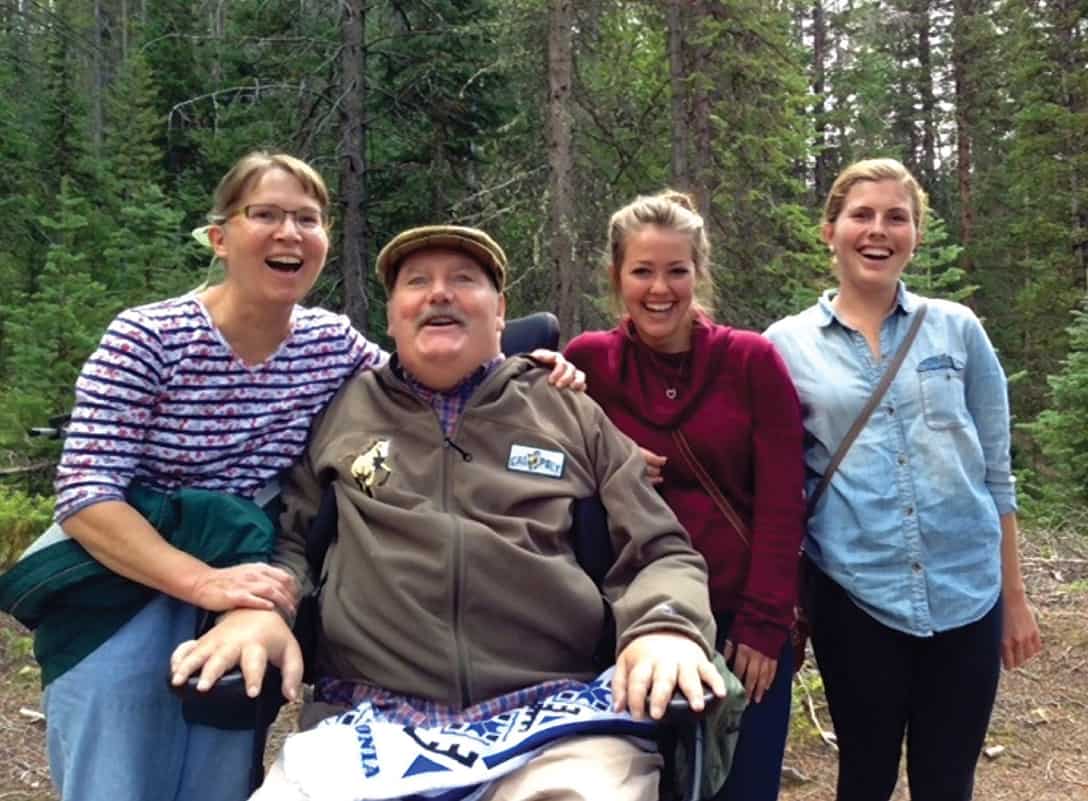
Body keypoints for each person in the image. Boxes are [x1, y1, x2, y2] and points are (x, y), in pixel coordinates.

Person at [22, 152, 581, 801]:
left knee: (219, 768)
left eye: (307, 219)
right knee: (116, 768)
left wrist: (515, 364)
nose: (289, 232)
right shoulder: (147, 338)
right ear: (220, 237)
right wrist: (206, 582)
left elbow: (417, 379)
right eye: (265, 214)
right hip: (127, 578)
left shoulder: (329, 344)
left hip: (251, 570)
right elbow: (87, 493)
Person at [169, 224, 729, 801]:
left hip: (554, 719)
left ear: (499, 314)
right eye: (418, 282)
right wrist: (262, 611)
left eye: (464, 280)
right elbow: (291, 541)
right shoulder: (344, 407)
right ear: (390, 317)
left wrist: (665, 625)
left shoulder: (568, 411)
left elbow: (661, 549)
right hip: (367, 719)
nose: (440, 293)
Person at [763, 157, 1043, 801]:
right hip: (855, 595)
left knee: (948, 781)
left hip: (967, 592)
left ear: (915, 233)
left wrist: (1014, 597)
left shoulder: (958, 329)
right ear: (829, 230)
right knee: (865, 775)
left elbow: (996, 473)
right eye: (861, 215)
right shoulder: (784, 345)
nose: (878, 230)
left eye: (897, 217)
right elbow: (776, 480)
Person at [564, 190, 806, 801]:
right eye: (642, 271)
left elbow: (783, 503)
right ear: (617, 276)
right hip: (625, 620)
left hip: (736, 621)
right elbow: (542, 471)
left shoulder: (751, 361)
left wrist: (764, 624)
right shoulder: (588, 363)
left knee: (742, 787)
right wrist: (605, 462)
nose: (659, 288)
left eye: (677, 270)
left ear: (699, 272)